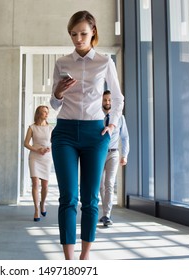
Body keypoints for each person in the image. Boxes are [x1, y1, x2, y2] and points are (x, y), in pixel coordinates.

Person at [50, 10, 124, 260]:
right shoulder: (62, 63)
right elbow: (54, 104)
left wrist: (112, 126)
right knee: (68, 197)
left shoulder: (104, 62)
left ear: (93, 31)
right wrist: (58, 92)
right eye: (73, 34)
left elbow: (117, 97)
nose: (78, 38)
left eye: (83, 33)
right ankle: (69, 261)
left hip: (95, 133)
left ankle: (85, 257)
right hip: (65, 133)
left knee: (91, 198)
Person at [99, 90, 130, 227]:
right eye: (105, 100)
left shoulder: (119, 118)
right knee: (100, 185)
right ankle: (105, 210)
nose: (107, 102)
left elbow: (125, 137)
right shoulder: (96, 116)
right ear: (101, 101)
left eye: (110, 100)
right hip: (98, 154)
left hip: (113, 153)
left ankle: (107, 214)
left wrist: (125, 155)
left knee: (109, 184)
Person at [24, 105, 53, 222]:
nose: (46, 114)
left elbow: (53, 142)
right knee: (35, 183)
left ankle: (43, 204)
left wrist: (48, 149)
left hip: (46, 158)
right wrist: (37, 150)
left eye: (47, 112)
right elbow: (26, 143)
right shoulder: (32, 127)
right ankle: (36, 210)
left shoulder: (50, 128)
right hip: (35, 157)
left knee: (45, 185)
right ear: (38, 114)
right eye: (44, 112)